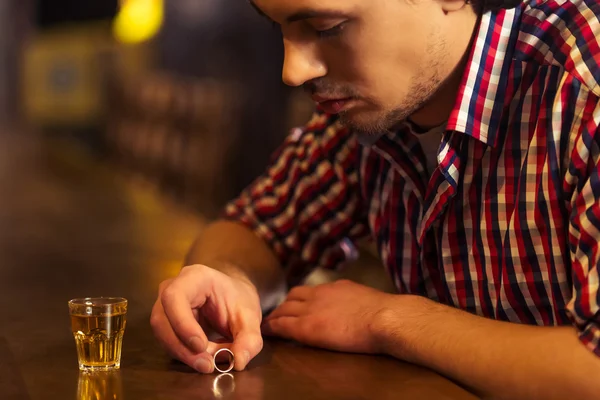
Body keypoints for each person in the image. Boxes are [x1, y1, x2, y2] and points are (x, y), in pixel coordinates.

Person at [150, 0, 600, 398]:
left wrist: (387, 321)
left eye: (326, 27)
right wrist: (226, 282)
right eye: (280, 27)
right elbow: (256, 226)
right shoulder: (373, 110)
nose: (293, 70)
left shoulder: (583, 86)